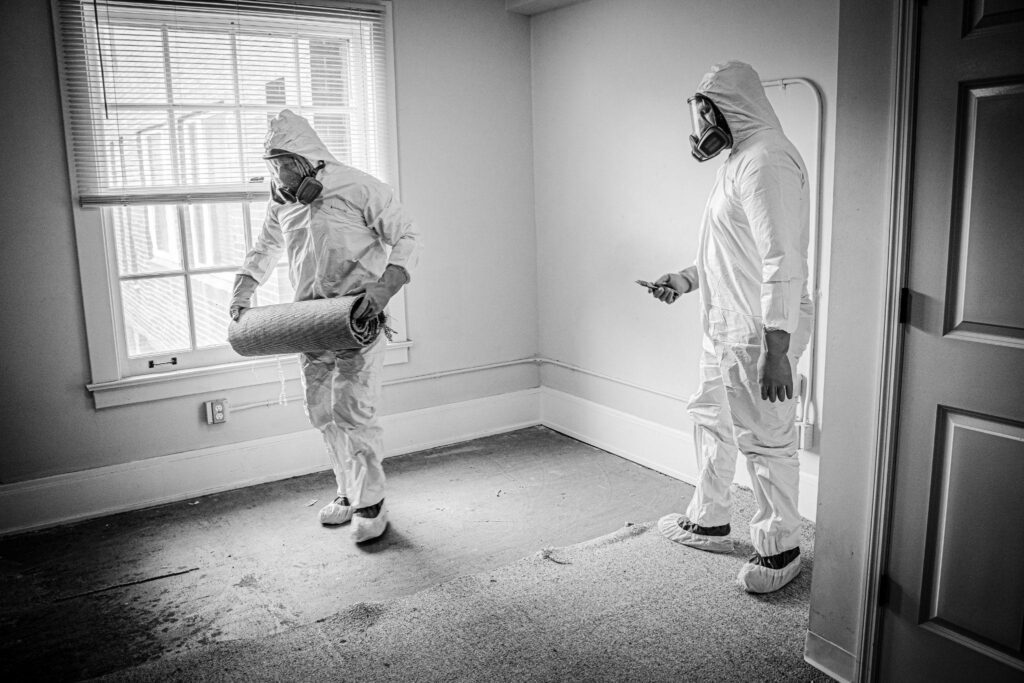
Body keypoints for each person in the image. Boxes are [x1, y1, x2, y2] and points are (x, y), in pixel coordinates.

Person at [648, 61, 813, 593]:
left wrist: (777, 349)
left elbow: (781, 259)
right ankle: (709, 517)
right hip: (725, 323)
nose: (698, 127)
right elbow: (730, 252)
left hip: (758, 331)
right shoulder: (740, 159)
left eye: (702, 112)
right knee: (711, 417)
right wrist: (685, 279)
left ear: (726, 106)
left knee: (765, 439)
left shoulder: (768, 160)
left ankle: (780, 546)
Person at [230, 110, 421, 543]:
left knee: (353, 409)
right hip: (312, 321)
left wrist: (384, 288)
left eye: (285, 166)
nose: (280, 176)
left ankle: (372, 502)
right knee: (320, 410)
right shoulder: (284, 203)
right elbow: (264, 249)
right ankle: (347, 491)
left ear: (309, 160)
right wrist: (243, 289)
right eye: (273, 167)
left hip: (358, 317)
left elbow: (408, 236)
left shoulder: (360, 187)